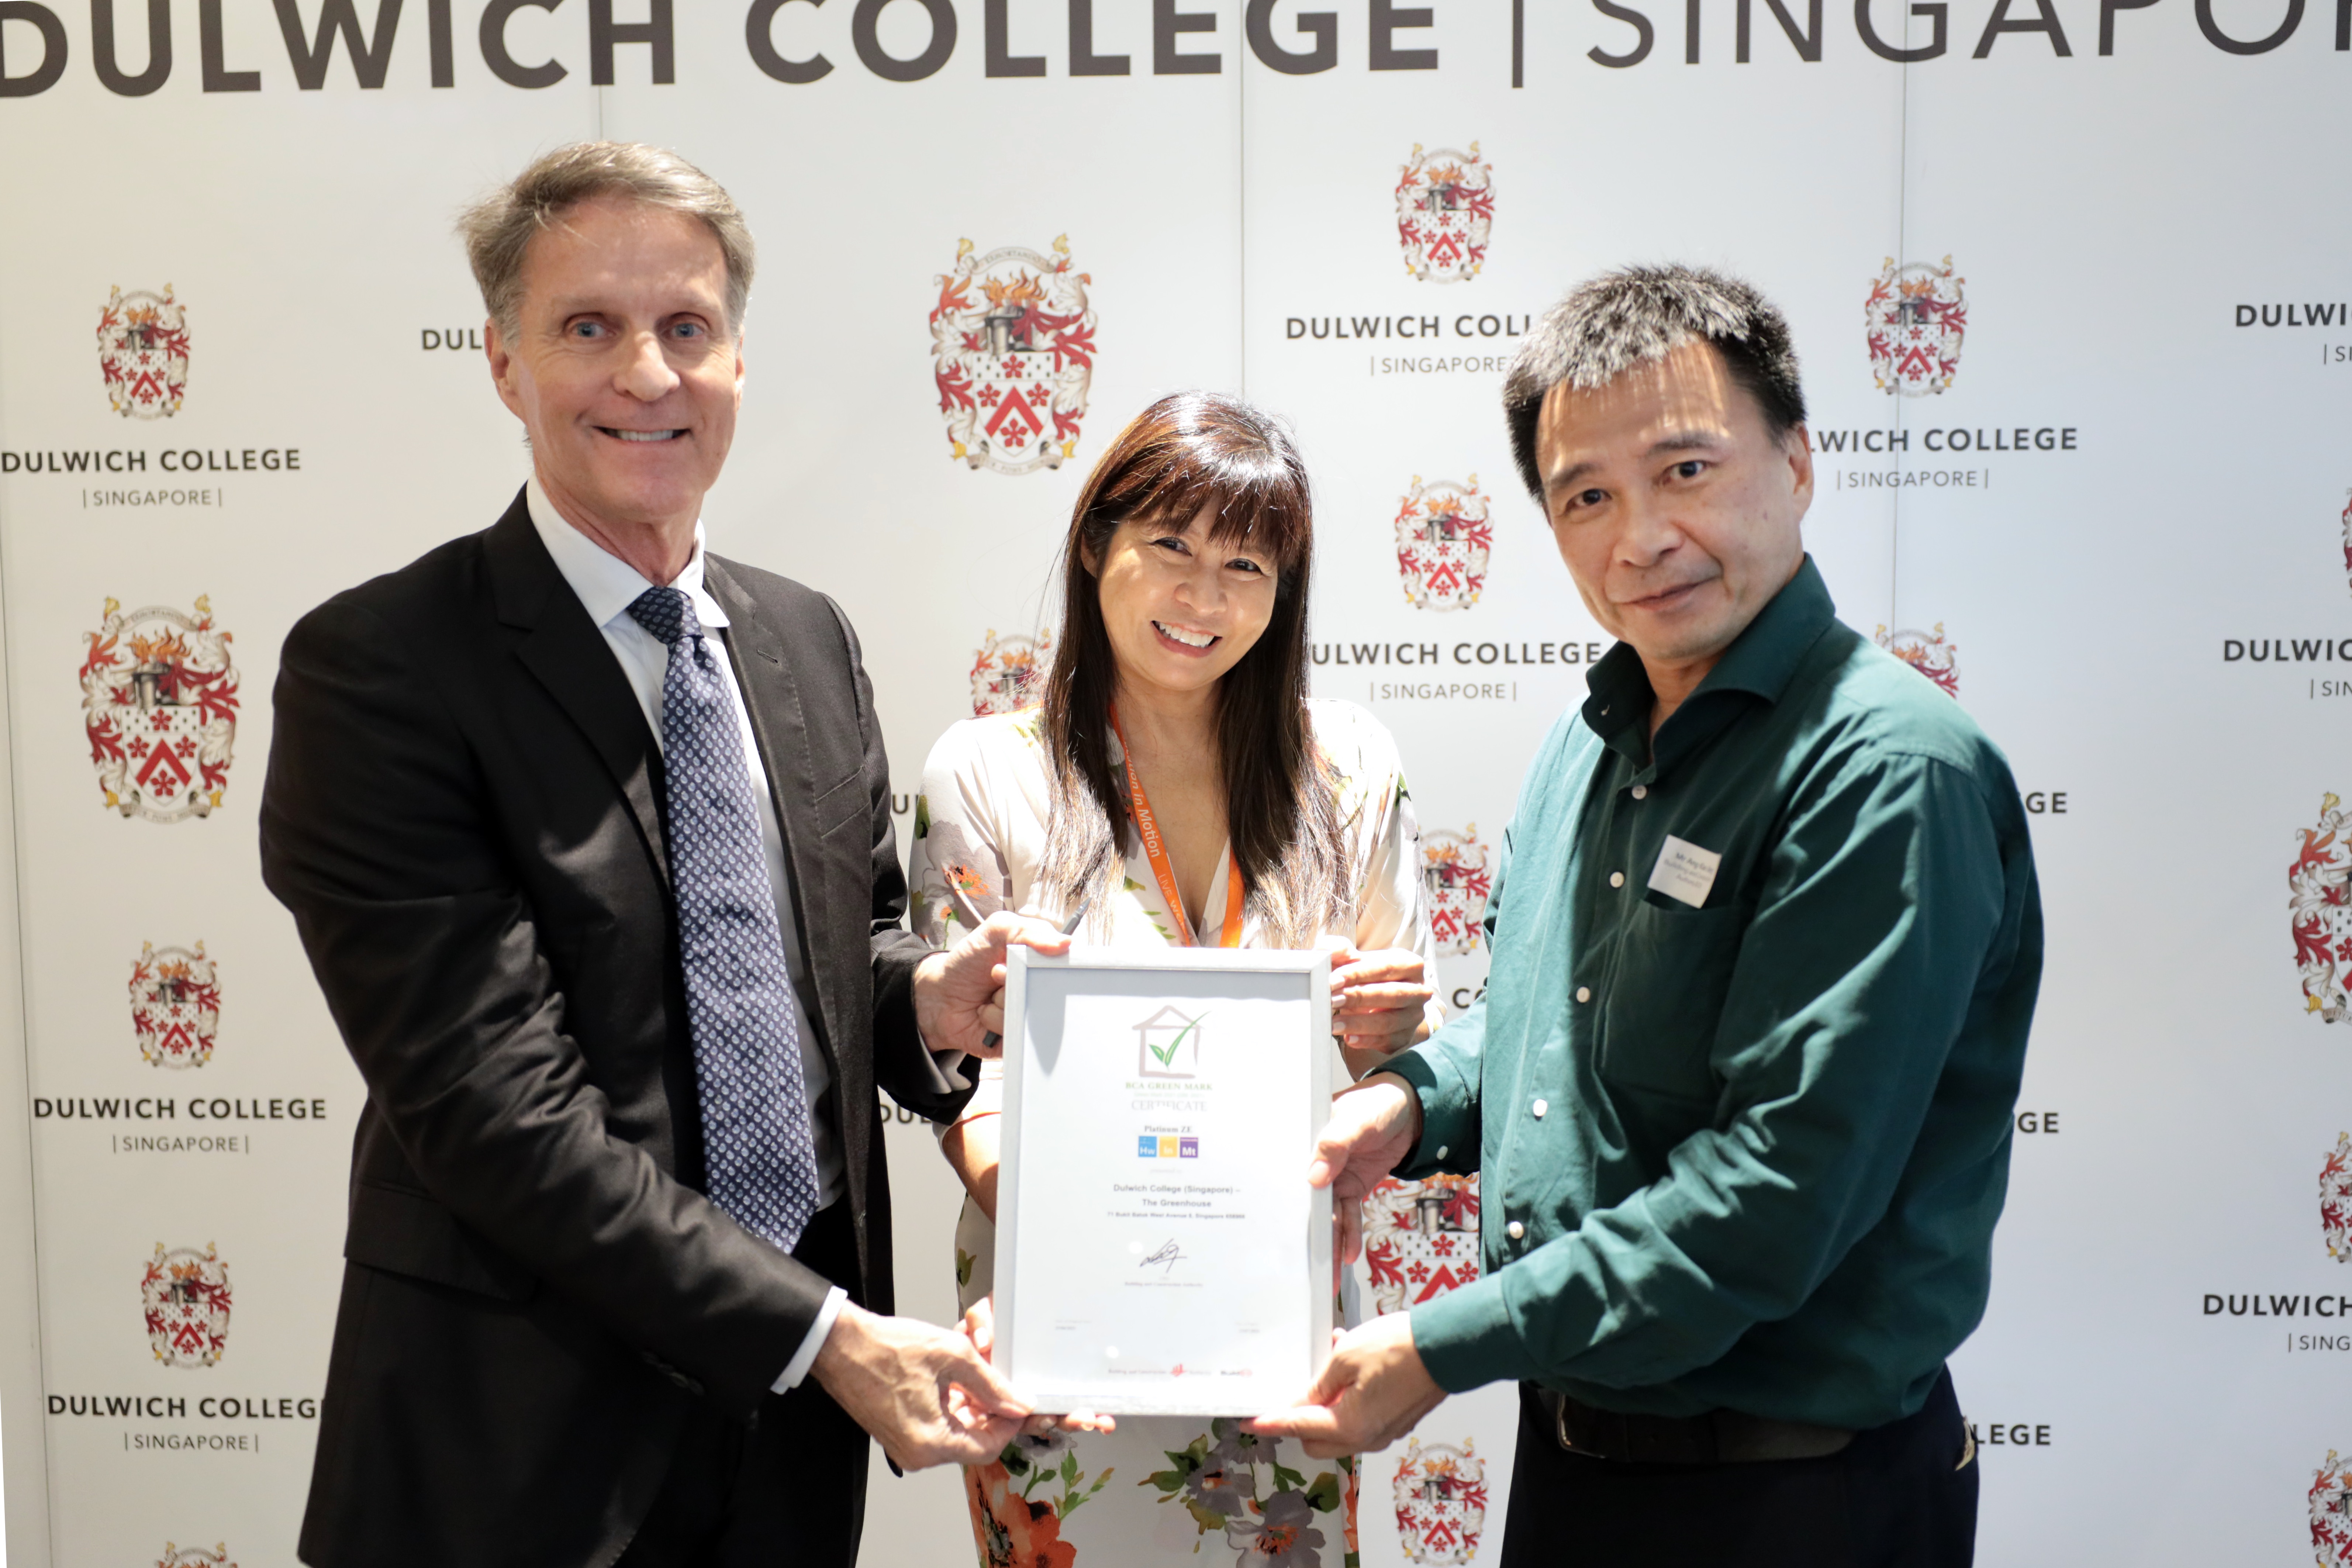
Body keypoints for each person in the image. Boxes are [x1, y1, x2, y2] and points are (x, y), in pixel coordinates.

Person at [258, 142, 1051, 1568]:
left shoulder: (806, 636)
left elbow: (833, 949)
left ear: (738, 359)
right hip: (517, 1446)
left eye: (687, 327)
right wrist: (820, 1336)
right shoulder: (379, 669)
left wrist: (921, 999)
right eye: (588, 328)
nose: (646, 372)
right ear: (504, 363)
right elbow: (494, 1109)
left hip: (793, 1452)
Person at [1254, 265, 2042, 1567]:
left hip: (1794, 1501)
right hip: (1577, 1466)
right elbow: (1539, 1033)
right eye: (1588, 496)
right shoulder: (1589, 739)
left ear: (1799, 460)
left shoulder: (1886, 770)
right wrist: (1400, 1102)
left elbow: (1771, 1196)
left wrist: (1440, 1345)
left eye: (1686, 469)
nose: (1640, 536)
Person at [909, 392, 1444, 1568]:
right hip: (1059, 1322)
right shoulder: (989, 771)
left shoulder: (1346, 765)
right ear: (1098, 542)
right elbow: (963, 1079)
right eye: (1171, 548)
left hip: (1284, 1322)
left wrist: (1394, 1042)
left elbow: (1407, 1056)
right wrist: (1088, 1246)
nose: (1204, 600)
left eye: (1246, 565)